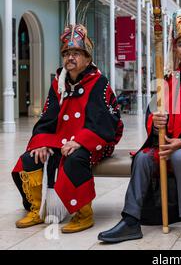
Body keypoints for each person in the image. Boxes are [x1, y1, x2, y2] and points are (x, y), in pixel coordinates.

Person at [98, 9, 181, 250]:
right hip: (165, 144)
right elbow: (152, 113)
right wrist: (155, 123)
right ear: (175, 48)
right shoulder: (169, 78)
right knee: (142, 158)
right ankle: (131, 220)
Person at [11, 24, 123, 233]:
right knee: (31, 157)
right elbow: (48, 117)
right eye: (67, 54)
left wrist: (80, 141)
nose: (70, 57)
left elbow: (105, 121)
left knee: (75, 158)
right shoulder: (58, 83)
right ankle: (38, 209)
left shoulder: (99, 82)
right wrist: (42, 142)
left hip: (96, 140)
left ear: (88, 59)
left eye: (76, 53)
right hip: (61, 137)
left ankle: (84, 213)